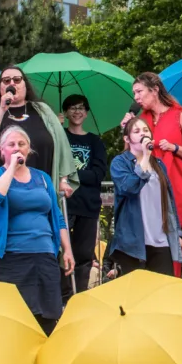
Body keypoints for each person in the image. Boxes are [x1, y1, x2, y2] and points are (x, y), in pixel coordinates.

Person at [0, 126, 75, 334]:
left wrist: (67, 249)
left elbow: (57, 216)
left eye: (22, 144)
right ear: (1, 150)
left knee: (47, 317)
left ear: (29, 149)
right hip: (10, 258)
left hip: (43, 255)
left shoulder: (42, 178)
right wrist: (11, 169)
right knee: (12, 319)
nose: (17, 148)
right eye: (11, 144)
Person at [0, 66, 77, 227]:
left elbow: (61, 145)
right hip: (5, 195)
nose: (12, 83)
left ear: (25, 84)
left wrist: (63, 179)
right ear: (0, 87)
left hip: (41, 192)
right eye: (6, 80)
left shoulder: (43, 110)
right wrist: (1, 109)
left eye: (17, 79)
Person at [124, 72, 182, 272]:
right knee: (150, 252)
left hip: (176, 189)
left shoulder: (180, 115)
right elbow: (129, 156)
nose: (136, 97)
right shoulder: (141, 119)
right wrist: (126, 131)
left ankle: (170, 298)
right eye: (134, 93)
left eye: (139, 91)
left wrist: (175, 148)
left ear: (155, 90)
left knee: (174, 253)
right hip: (149, 191)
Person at [106, 118, 182, 278]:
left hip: (160, 239)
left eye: (146, 130)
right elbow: (129, 187)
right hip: (133, 241)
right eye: (137, 131)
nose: (143, 133)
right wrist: (145, 158)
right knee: (135, 296)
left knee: (162, 294)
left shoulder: (159, 164)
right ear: (127, 139)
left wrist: (178, 234)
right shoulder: (120, 163)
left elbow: (169, 202)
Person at [62, 94, 108, 293]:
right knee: (62, 251)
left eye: (81, 108)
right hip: (64, 204)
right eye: (72, 107)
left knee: (83, 254)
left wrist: (70, 174)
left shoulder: (94, 141)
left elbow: (97, 174)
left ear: (87, 113)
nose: (77, 111)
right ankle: (62, 296)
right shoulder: (60, 137)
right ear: (65, 112)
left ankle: (78, 295)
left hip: (87, 206)